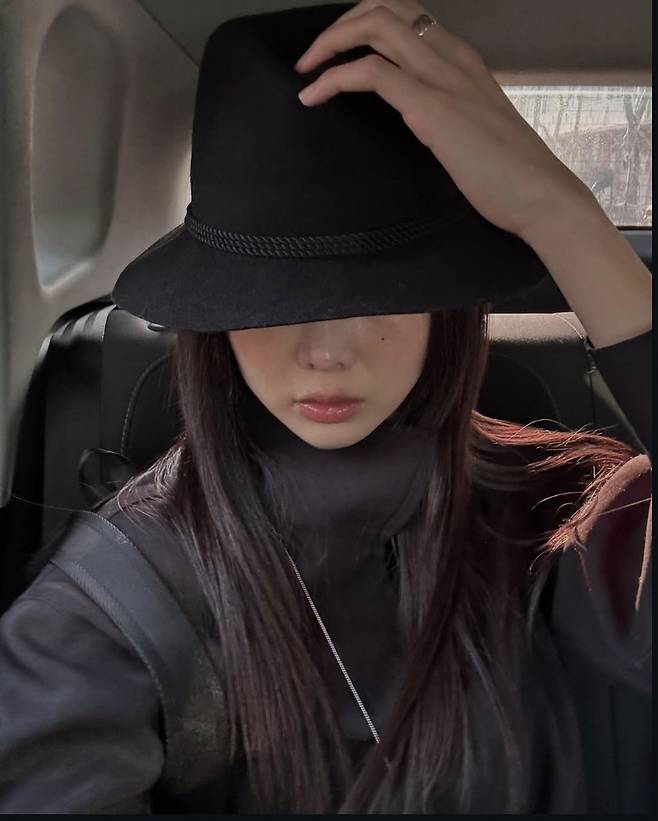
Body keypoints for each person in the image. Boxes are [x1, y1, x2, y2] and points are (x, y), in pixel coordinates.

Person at [0, 0, 651, 814]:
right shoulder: (132, 586)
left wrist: (559, 211)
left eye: (380, 295)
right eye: (271, 300)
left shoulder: (570, 518)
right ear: (215, 318)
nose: (326, 353)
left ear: (443, 306)